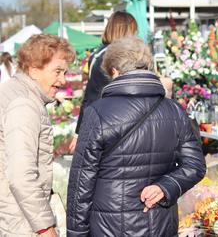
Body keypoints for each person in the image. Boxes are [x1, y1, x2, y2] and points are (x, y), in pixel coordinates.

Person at [67, 36, 206, 237]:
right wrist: (166, 187)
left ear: (114, 70)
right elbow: (195, 165)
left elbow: (81, 183)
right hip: (160, 224)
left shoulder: (97, 112)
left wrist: (76, 233)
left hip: (109, 227)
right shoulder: (175, 111)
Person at [0, 34, 75, 236]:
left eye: (65, 72)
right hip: (21, 222)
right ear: (33, 69)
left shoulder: (15, 91)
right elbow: (20, 175)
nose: (62, 80)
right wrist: (45, 227)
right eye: (57, 71)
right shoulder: (24, 104)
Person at [68, 11, 138, 153]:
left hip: (105, 122)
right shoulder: (112, 56)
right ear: (125, 30)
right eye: (134, 31)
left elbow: (90, 95)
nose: (136, 36)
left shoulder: (100, 53)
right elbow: (94, 94)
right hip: (112, 125)